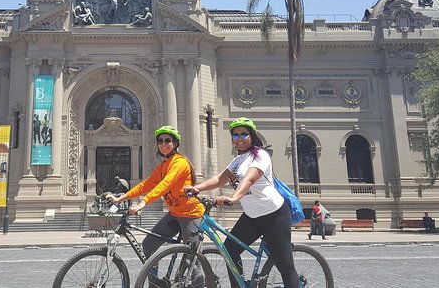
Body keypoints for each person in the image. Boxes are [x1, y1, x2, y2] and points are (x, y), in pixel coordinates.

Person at [186, 117, 299, 288]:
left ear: (252, 136)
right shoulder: (238, 160)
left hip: (274, 214)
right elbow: (219, 179)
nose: (239, 138)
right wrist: (196, 188)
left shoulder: (261, 155)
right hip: (252, 216)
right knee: (230, 251)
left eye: (244, 134)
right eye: (235, 135)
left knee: (286, 267)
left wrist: (233, 198)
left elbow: (249, 180)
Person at [107, 125, 205, 262]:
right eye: (160, 141)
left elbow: (165, 184)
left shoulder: (180, 163)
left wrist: (143, 202)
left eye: (167, 140)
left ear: (175, 143)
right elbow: (145, 184)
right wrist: (120, 198)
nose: (163, 144)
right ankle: (156, 284)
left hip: (191, 214)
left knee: (191, 260)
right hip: (174, 214)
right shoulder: (163, 166)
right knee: (148, 245)